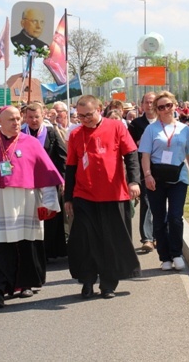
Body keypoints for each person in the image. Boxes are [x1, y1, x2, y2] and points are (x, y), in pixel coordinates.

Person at [0, 106, 63, 308]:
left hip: (26, 202)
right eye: (11, 119)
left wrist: (49, 202)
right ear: (0, 122)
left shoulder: (32, 144)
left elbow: (46, 175)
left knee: (25, 244)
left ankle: (26, 283)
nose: (16, 122)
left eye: (18, 118)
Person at [65, 95, 141, 299]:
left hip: (113, 194)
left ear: (99, 108)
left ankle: (108, 284)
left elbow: (131, 155)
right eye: (80, 116)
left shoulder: (116, 127)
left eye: (88, 114)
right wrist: (68, 198)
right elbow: (71, 167)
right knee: (85, 242)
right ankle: (88, 281)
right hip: (84, 195)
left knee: (111, 242)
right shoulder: (75, 134)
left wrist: (134, 181)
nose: (85, 119)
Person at [139, 91, 189, 271]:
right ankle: (165, 257)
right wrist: (147, 175)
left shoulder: (183, 129)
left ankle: (176, 253)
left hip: (178, 177)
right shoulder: (151, 129)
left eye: (168, 105)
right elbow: (145, 155)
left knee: (175, 217)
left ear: (175, 106)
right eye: (161, 107)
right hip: (156, 178)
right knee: (159, 219)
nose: (165, 109)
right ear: (157, 110)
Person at [22, 103, 67, 260]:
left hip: (49, 181)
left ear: (43, 116)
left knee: (49, 216)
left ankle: (49, 250)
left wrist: (63, 180)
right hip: (27, 182)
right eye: (30, 117)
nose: (34, 120)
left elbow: (63, 157)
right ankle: (34, 250)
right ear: (25, 117)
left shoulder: (51, 133)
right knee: (31, 215)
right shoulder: (20, 134)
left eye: (37, 117)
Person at [128, 92, 157, 252]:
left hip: (162, 167)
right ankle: (147, 238)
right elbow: (130, 147)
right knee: (146, 201)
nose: (149, 105)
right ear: (142, 105)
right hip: (144, 168)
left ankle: (158, 235)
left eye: (152, 101)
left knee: (160, 202)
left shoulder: (163, 121)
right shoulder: (136, 124)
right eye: (146, 102)